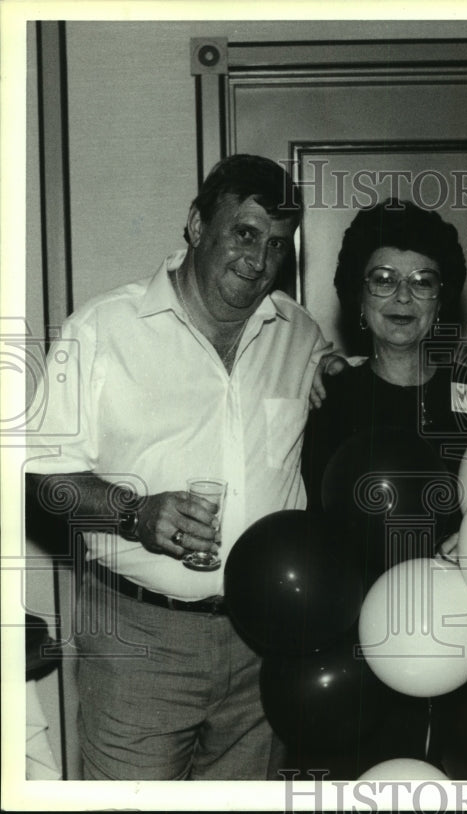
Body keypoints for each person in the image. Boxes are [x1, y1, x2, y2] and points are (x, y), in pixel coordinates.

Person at [24, 154, 328, 780]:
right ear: (195, 225)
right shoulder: (102, 331)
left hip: (265, 647)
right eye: (244, 232)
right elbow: (44, 482)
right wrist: (135, 513)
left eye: (276, 244)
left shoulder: (298, 334)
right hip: (138, 639)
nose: (258, 257)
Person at [293, 199, 467, 778]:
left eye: (422, 282)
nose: (403, 298)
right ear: (358, 298)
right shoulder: (328, 400)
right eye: (383, 280)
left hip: (466, 639)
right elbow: (317, 526)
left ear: (442, 300)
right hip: (359, 647)